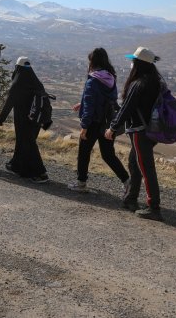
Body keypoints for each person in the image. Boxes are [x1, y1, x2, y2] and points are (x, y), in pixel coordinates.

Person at [105, 46, 163, 221]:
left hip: (140, 131)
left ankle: (154, 207)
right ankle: (130, 198)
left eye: (133, 61)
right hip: (151, 131)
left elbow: (126, 109)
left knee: (146, 167)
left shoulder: (139, 84)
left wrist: (112, 128)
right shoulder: (156, 81)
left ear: (138, 64)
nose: (131, 64)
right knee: (135, 163)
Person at [68, 48, 129, 194]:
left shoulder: (93, 80)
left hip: (93, 123)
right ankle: (128, 181)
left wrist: (84, 126)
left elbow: (90, 106)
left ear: (93, 62)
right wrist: (82, 103)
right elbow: (106, 100)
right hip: (107, 123)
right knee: (108, 154)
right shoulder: (110, 78)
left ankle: (81, 183)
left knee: (84, 152)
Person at [0, 57, 49, 183]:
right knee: (23, 143)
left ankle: (41, 173)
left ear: (17, 68)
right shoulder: (36, 82)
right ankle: (17, 165)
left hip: (23, 120)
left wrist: (1, 118)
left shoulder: (18, 83)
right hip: (35, 120)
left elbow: (9, 102)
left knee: (29, 144)